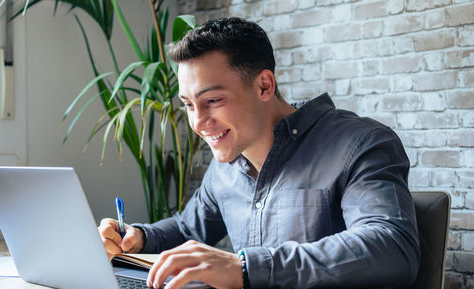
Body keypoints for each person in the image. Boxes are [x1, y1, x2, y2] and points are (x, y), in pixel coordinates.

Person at [98, 17, 420, 289]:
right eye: (188, 105)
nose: (197, 123)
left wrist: (245, 268)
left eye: (212, 101)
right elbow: (187, 229)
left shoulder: (360, 143)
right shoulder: (226, 163)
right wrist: (137, 236)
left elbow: (391, 246)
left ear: (264, 86)